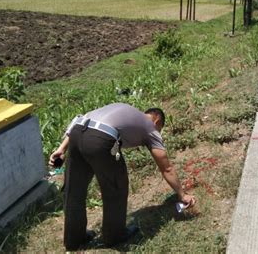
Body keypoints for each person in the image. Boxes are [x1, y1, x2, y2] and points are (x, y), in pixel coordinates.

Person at [49, 103, 196, 250]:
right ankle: (114, 235)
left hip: (77, 132)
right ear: (157, 121)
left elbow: (83, 118)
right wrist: (182, 195)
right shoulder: (150, 127)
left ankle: (74, 239)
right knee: (116, 187)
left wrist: (61, 149)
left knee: (74, 190)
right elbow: (167, 168)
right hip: (100, 139)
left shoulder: (124, 110)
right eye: (160, 129)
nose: (158, 133)